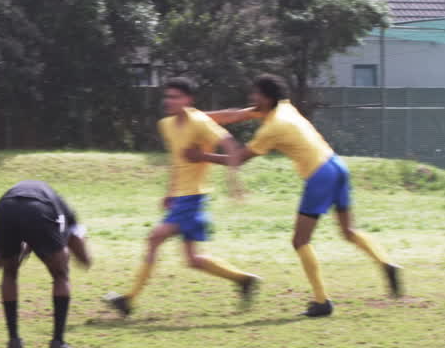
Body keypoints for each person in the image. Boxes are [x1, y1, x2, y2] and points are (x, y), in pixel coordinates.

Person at [189, 74, 402, 317]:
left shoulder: (272, 128)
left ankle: (322, 301)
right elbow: (237, 114)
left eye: (255, 94)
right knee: (348, 231)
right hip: (338, 166)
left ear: (267, 98)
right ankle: (386, 263)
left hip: (320, 176)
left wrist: (202, 157)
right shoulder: (285, 108)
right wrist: (196, 117)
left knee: (300, 241)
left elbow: (238, 159)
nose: (252, 98)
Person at [107, 78, 260, 318]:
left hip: (194, 198)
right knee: (192, 259)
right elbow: (176, 160)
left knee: (155, 238)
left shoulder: (199, 122)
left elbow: (229, 143)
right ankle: (244, 280)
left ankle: (129, 300)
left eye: (176, 96)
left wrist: (233, 179)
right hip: (182, 198)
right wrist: (170, 191)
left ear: (188, 100)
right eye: (167, 96)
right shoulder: (166, 124)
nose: (169, 101)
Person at [0, 180, 91, 348]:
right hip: (39, 210)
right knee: (61, 274)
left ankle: (14, 341)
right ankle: (57, 343)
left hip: (5, 208)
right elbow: (83, 258)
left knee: (9, 273)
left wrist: (21, 252)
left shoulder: (24, 196)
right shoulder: (66, 211)